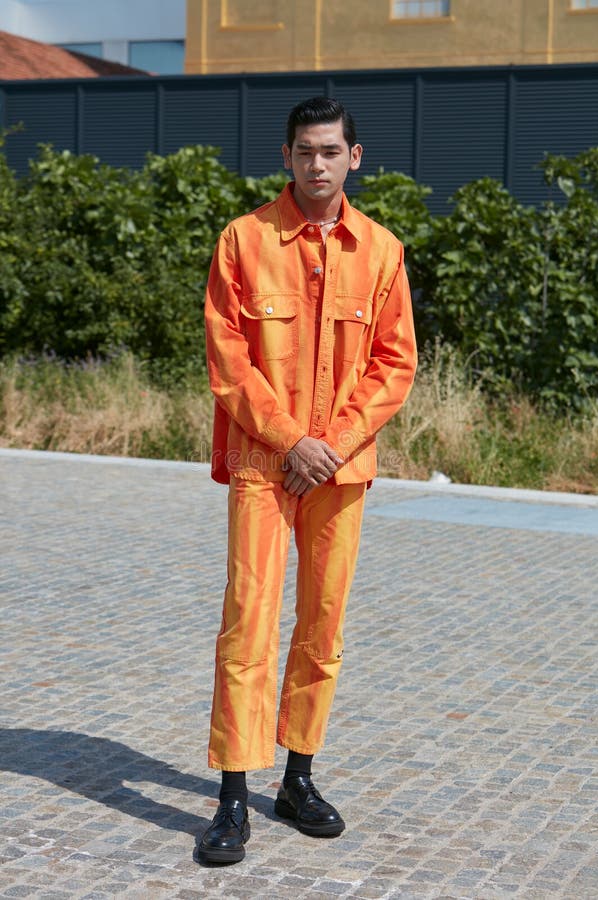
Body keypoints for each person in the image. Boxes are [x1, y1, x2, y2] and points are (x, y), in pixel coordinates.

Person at [198, 96, 417, 865]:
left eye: (330, 151)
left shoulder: (381, 252)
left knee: (322, 628)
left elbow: (396, 363)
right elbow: (228, 362)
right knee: (248, 624)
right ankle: (233, 796)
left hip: (340, 468)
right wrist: (294, 440)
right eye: (304, 151)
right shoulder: (244, 241)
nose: (316, 163)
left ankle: (298, 777)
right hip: (265, 462)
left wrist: (331, 444)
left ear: (354, 157)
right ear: (286, 157)